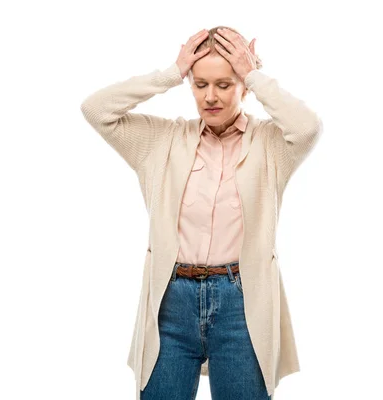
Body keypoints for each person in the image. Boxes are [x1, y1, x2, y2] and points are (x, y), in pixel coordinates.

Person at [80, 25, 323, 400]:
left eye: (225, 84)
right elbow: (96, 109)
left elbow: (308, 127)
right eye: (200, 84)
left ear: (242, 85)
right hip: (171, 303)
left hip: (241, 302)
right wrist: (171, 73)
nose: (210, 96)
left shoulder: (271, 145)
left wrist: (255, 75)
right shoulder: (161, 140)